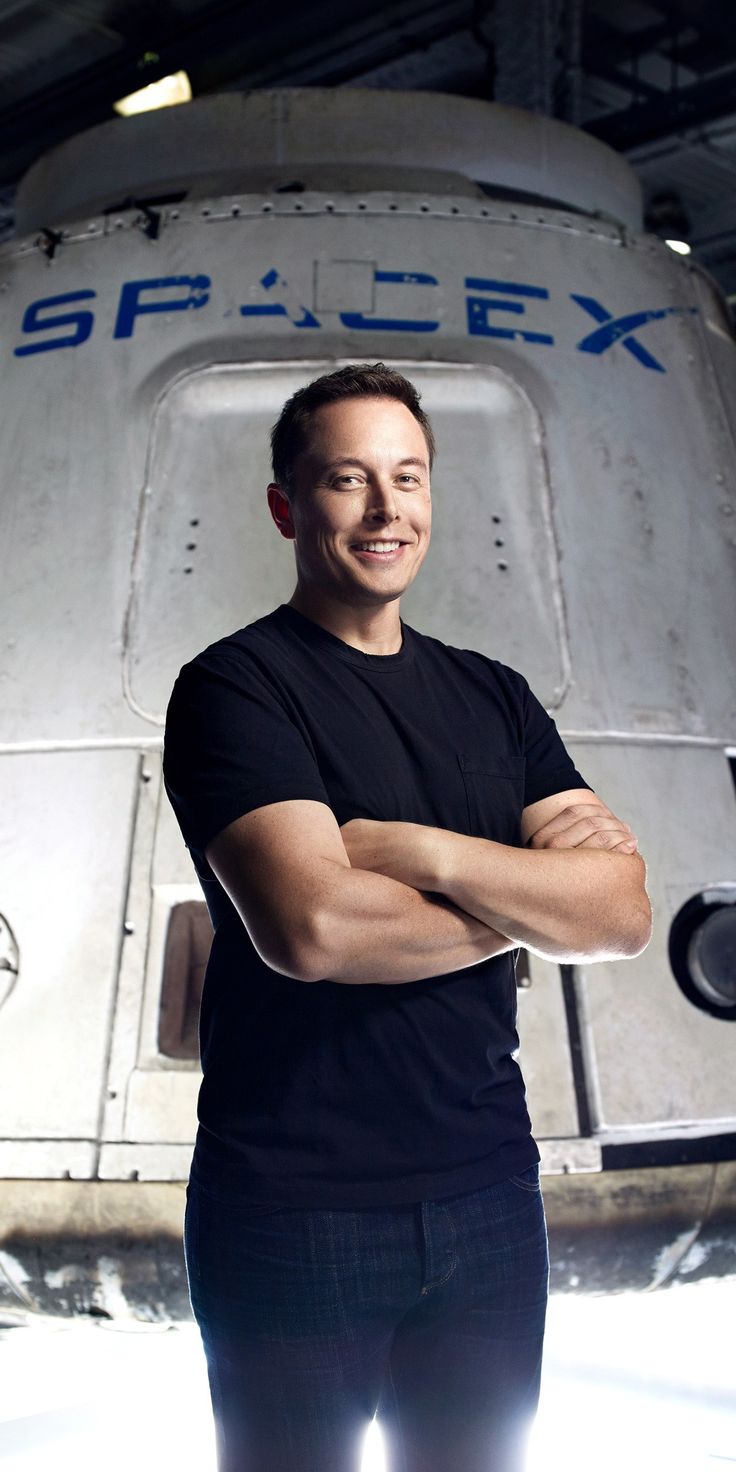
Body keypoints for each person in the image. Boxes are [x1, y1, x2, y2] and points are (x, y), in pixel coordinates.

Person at [163, 362, 651, 1472]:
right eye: (348, 479)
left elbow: (619, 911)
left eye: (408, 476)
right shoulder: (237, 687)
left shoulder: (496, 694)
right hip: (293, 1208)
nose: (387, 510)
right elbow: (315, 929)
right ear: (289, 505)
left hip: (487, 1193)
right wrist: (530, 900)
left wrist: (422, 852)